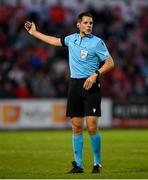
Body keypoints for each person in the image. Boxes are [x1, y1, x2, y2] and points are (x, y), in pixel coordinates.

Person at [24, 12, 114, 174]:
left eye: (91, 23)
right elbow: (54, 41)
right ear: (78, 24)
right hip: (74, 85)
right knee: (76, 126)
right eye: (86, 23)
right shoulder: (71, 39)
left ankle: (97, 163)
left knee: (92, 126)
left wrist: (95, 74)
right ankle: (78, 165)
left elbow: (110, 63)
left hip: (91, 84)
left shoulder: (97, 42)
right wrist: (34, 33)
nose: (89, 25)